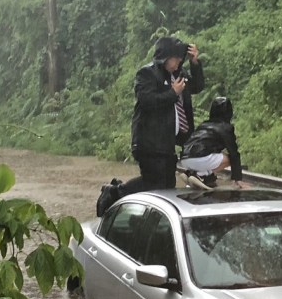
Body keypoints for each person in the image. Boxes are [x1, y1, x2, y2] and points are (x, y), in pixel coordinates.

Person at [96, 36, 204, 216]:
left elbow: (197, 86)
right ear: (165, 57)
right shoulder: (146, 74)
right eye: (175, 59)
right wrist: (172, 93)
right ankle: (116, 192)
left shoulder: (179, 74)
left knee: (167, 186)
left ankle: (151, 217)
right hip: (148, 141)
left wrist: (194, 62)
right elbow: (147, 101)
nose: (178, 62)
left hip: (168, 141)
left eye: (180, 59)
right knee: (154, 183)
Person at [179, 97, 246, 190]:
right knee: (230, 158)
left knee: (214, 155)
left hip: (184, 159)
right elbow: (234, 153)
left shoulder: (203, 125)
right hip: (200, 158)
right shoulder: (226, 128)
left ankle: (190, 174)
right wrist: (238, 179)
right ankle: (201, 176)